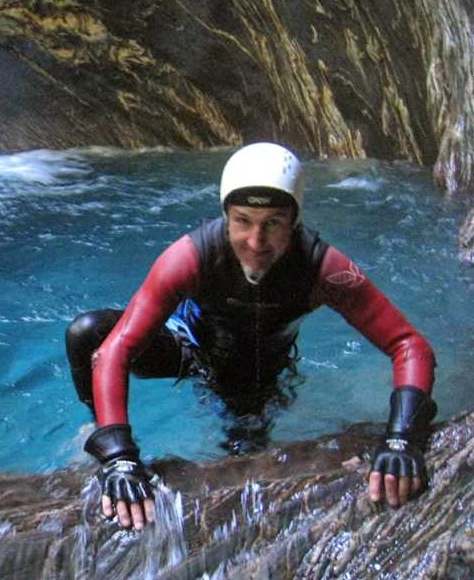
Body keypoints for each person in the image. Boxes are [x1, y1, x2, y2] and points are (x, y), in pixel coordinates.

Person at [66, 142, 437, 531]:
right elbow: (116, 350)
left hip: (255, 376)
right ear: (225, 217)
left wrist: (402, 438)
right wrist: (120, 456)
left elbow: (409, 345)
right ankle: (100, 435)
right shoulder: (192, 257)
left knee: (244, 462)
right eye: (243, 221)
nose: (256, 241)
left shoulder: (322, 269)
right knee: (87, 333)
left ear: (294, 221)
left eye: (273, 223)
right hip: (189, 347)